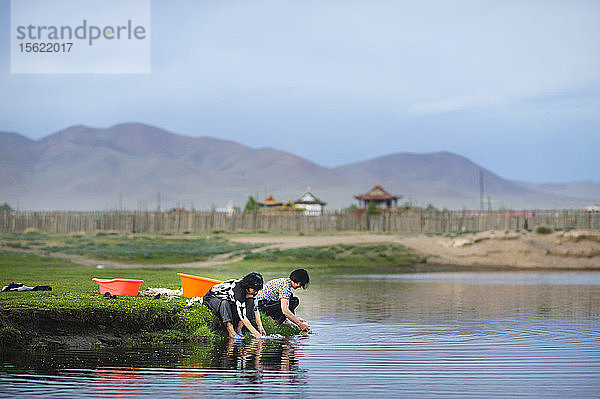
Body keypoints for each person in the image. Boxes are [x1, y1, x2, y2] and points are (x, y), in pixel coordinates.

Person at [203, 272, 266, 339]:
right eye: (254, 290)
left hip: (230, 300)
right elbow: (242, 316)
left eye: (257, 290)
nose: (256, 292)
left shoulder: (252, 291)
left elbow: (255, 308)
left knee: (250, 300)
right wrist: (256, 333)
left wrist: (260, 327)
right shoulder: (238, 290)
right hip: (212, 298)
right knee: (224, 302)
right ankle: (231, 332)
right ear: (248, 286)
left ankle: (239, 329)